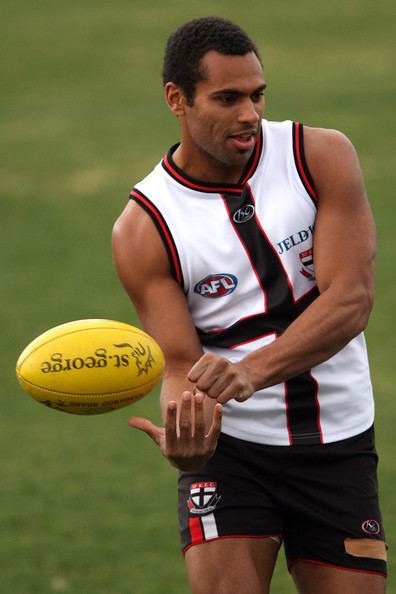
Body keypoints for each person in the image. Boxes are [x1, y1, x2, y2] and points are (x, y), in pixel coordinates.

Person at [112, 16, 387, 594]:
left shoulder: (321, 157)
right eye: (228, 98)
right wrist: (187, 429)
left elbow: (350, 300)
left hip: (337, 444)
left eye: (257, 95)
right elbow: (182, 362)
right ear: (176, 99)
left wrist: (250, 371)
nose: (250, 115)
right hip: (232, 453)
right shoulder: (144, 227)